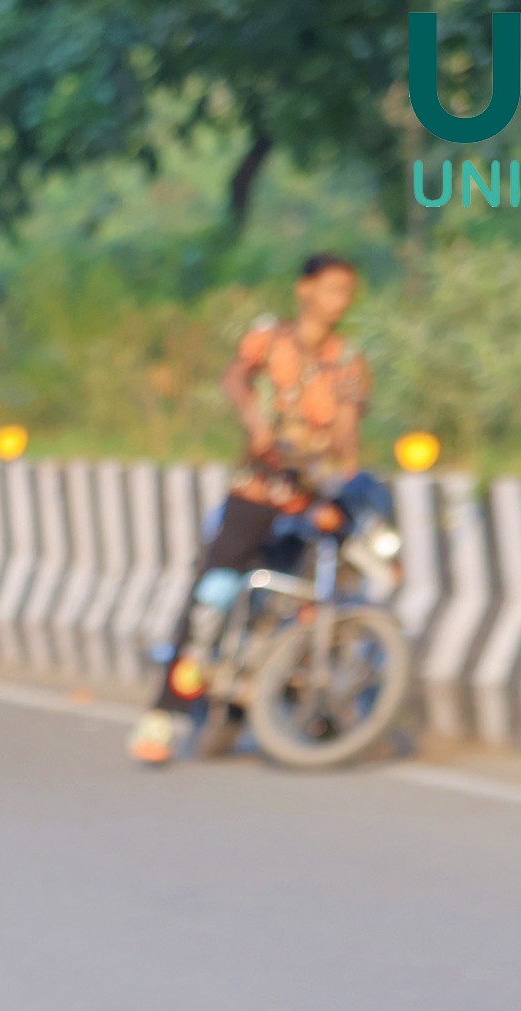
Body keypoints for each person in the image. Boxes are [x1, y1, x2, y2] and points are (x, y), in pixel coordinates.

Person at [128, 254, 377, 768]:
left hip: (312, 495)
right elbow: (236, 380)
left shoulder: (348, 360)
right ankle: (164, 715)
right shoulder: (270, 340)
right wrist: (256, 422)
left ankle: (308, 700)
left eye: (347, 291)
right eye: (331, 288)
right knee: (212, 594)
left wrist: (345, 470)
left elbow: (347, 429)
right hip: (259, 489)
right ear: (305, 289)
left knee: (321, 590)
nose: (340, 300)